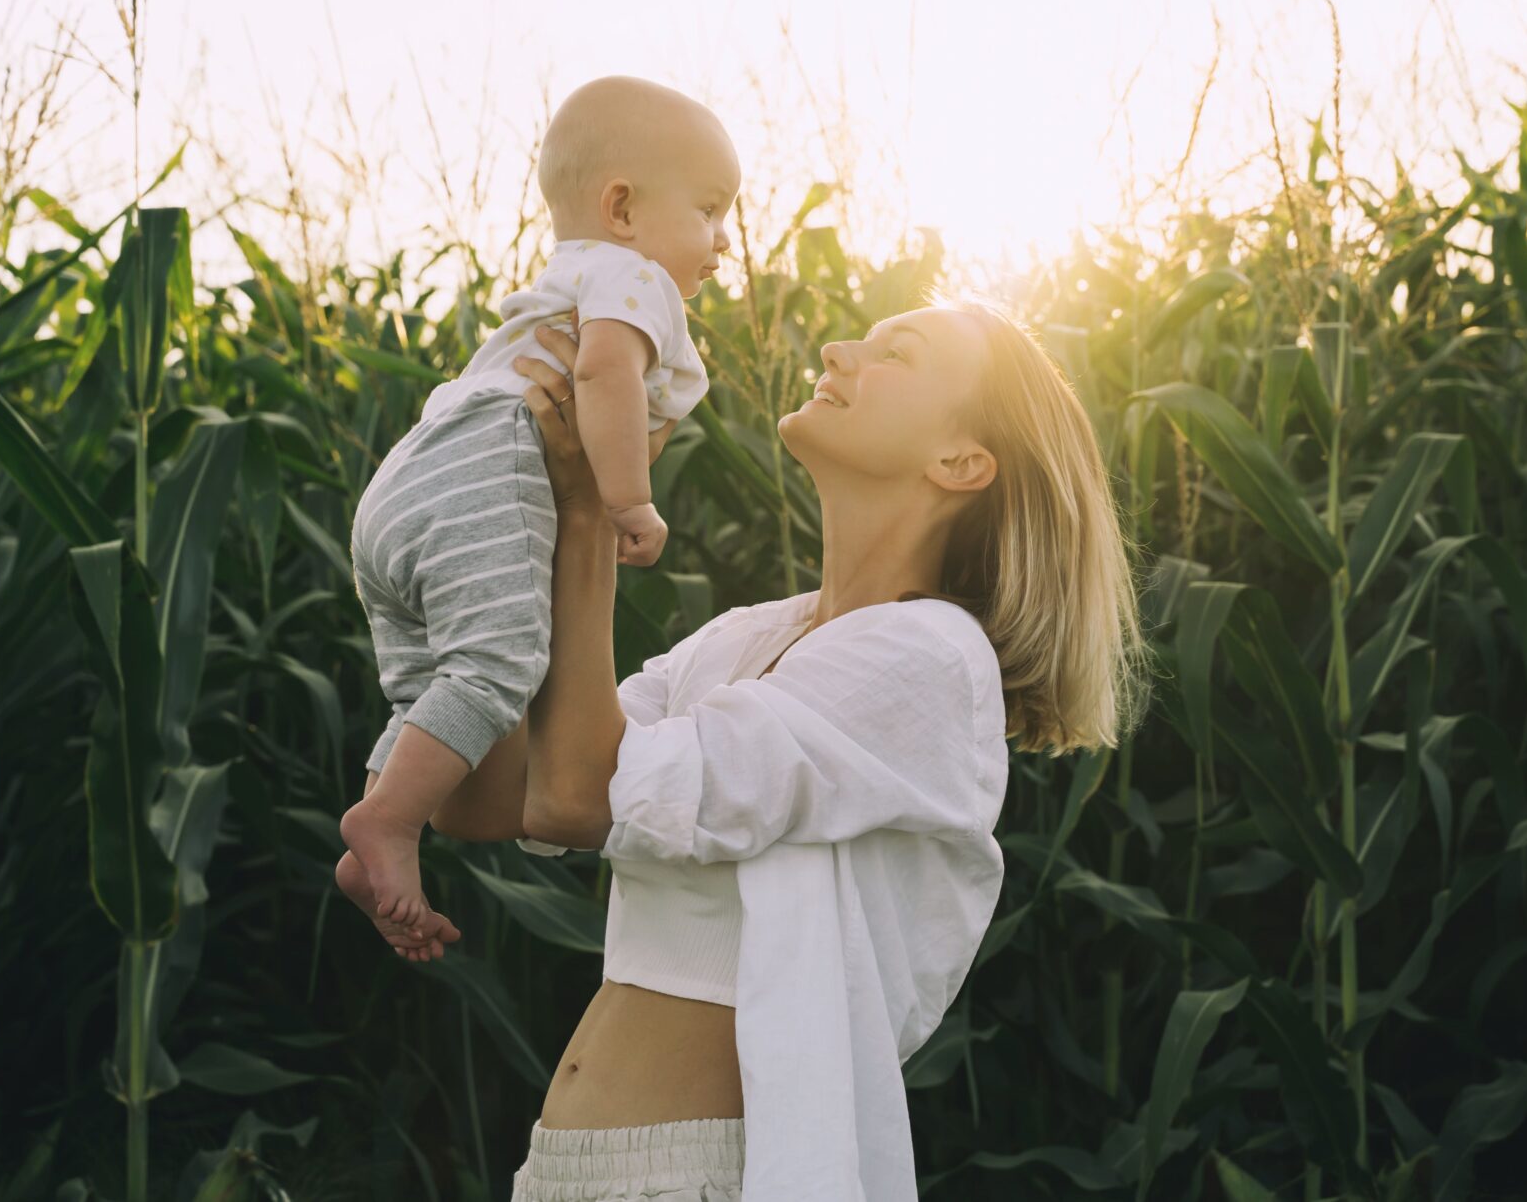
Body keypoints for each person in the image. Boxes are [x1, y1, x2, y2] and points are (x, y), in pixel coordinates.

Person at [435, 294, 1142, 1200]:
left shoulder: (929, 658)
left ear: (961, 461)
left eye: (898, 352)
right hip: (563, 1169)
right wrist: (498, 517)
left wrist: (588, 512)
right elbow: (493, 795)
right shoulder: (742, 638)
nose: (841, 349)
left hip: (706, 1174)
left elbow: (580, 794)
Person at [335, 76, 735, 955]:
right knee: (498, 659)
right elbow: (601, 377)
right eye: (710, 209)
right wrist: (628, 500)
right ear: (622, 207)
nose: (722, 241)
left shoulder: (572, 273)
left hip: (411, 482)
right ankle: (391, 827)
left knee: (434, 682)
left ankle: (376, 819)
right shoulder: (635, 281)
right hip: (482, 476)